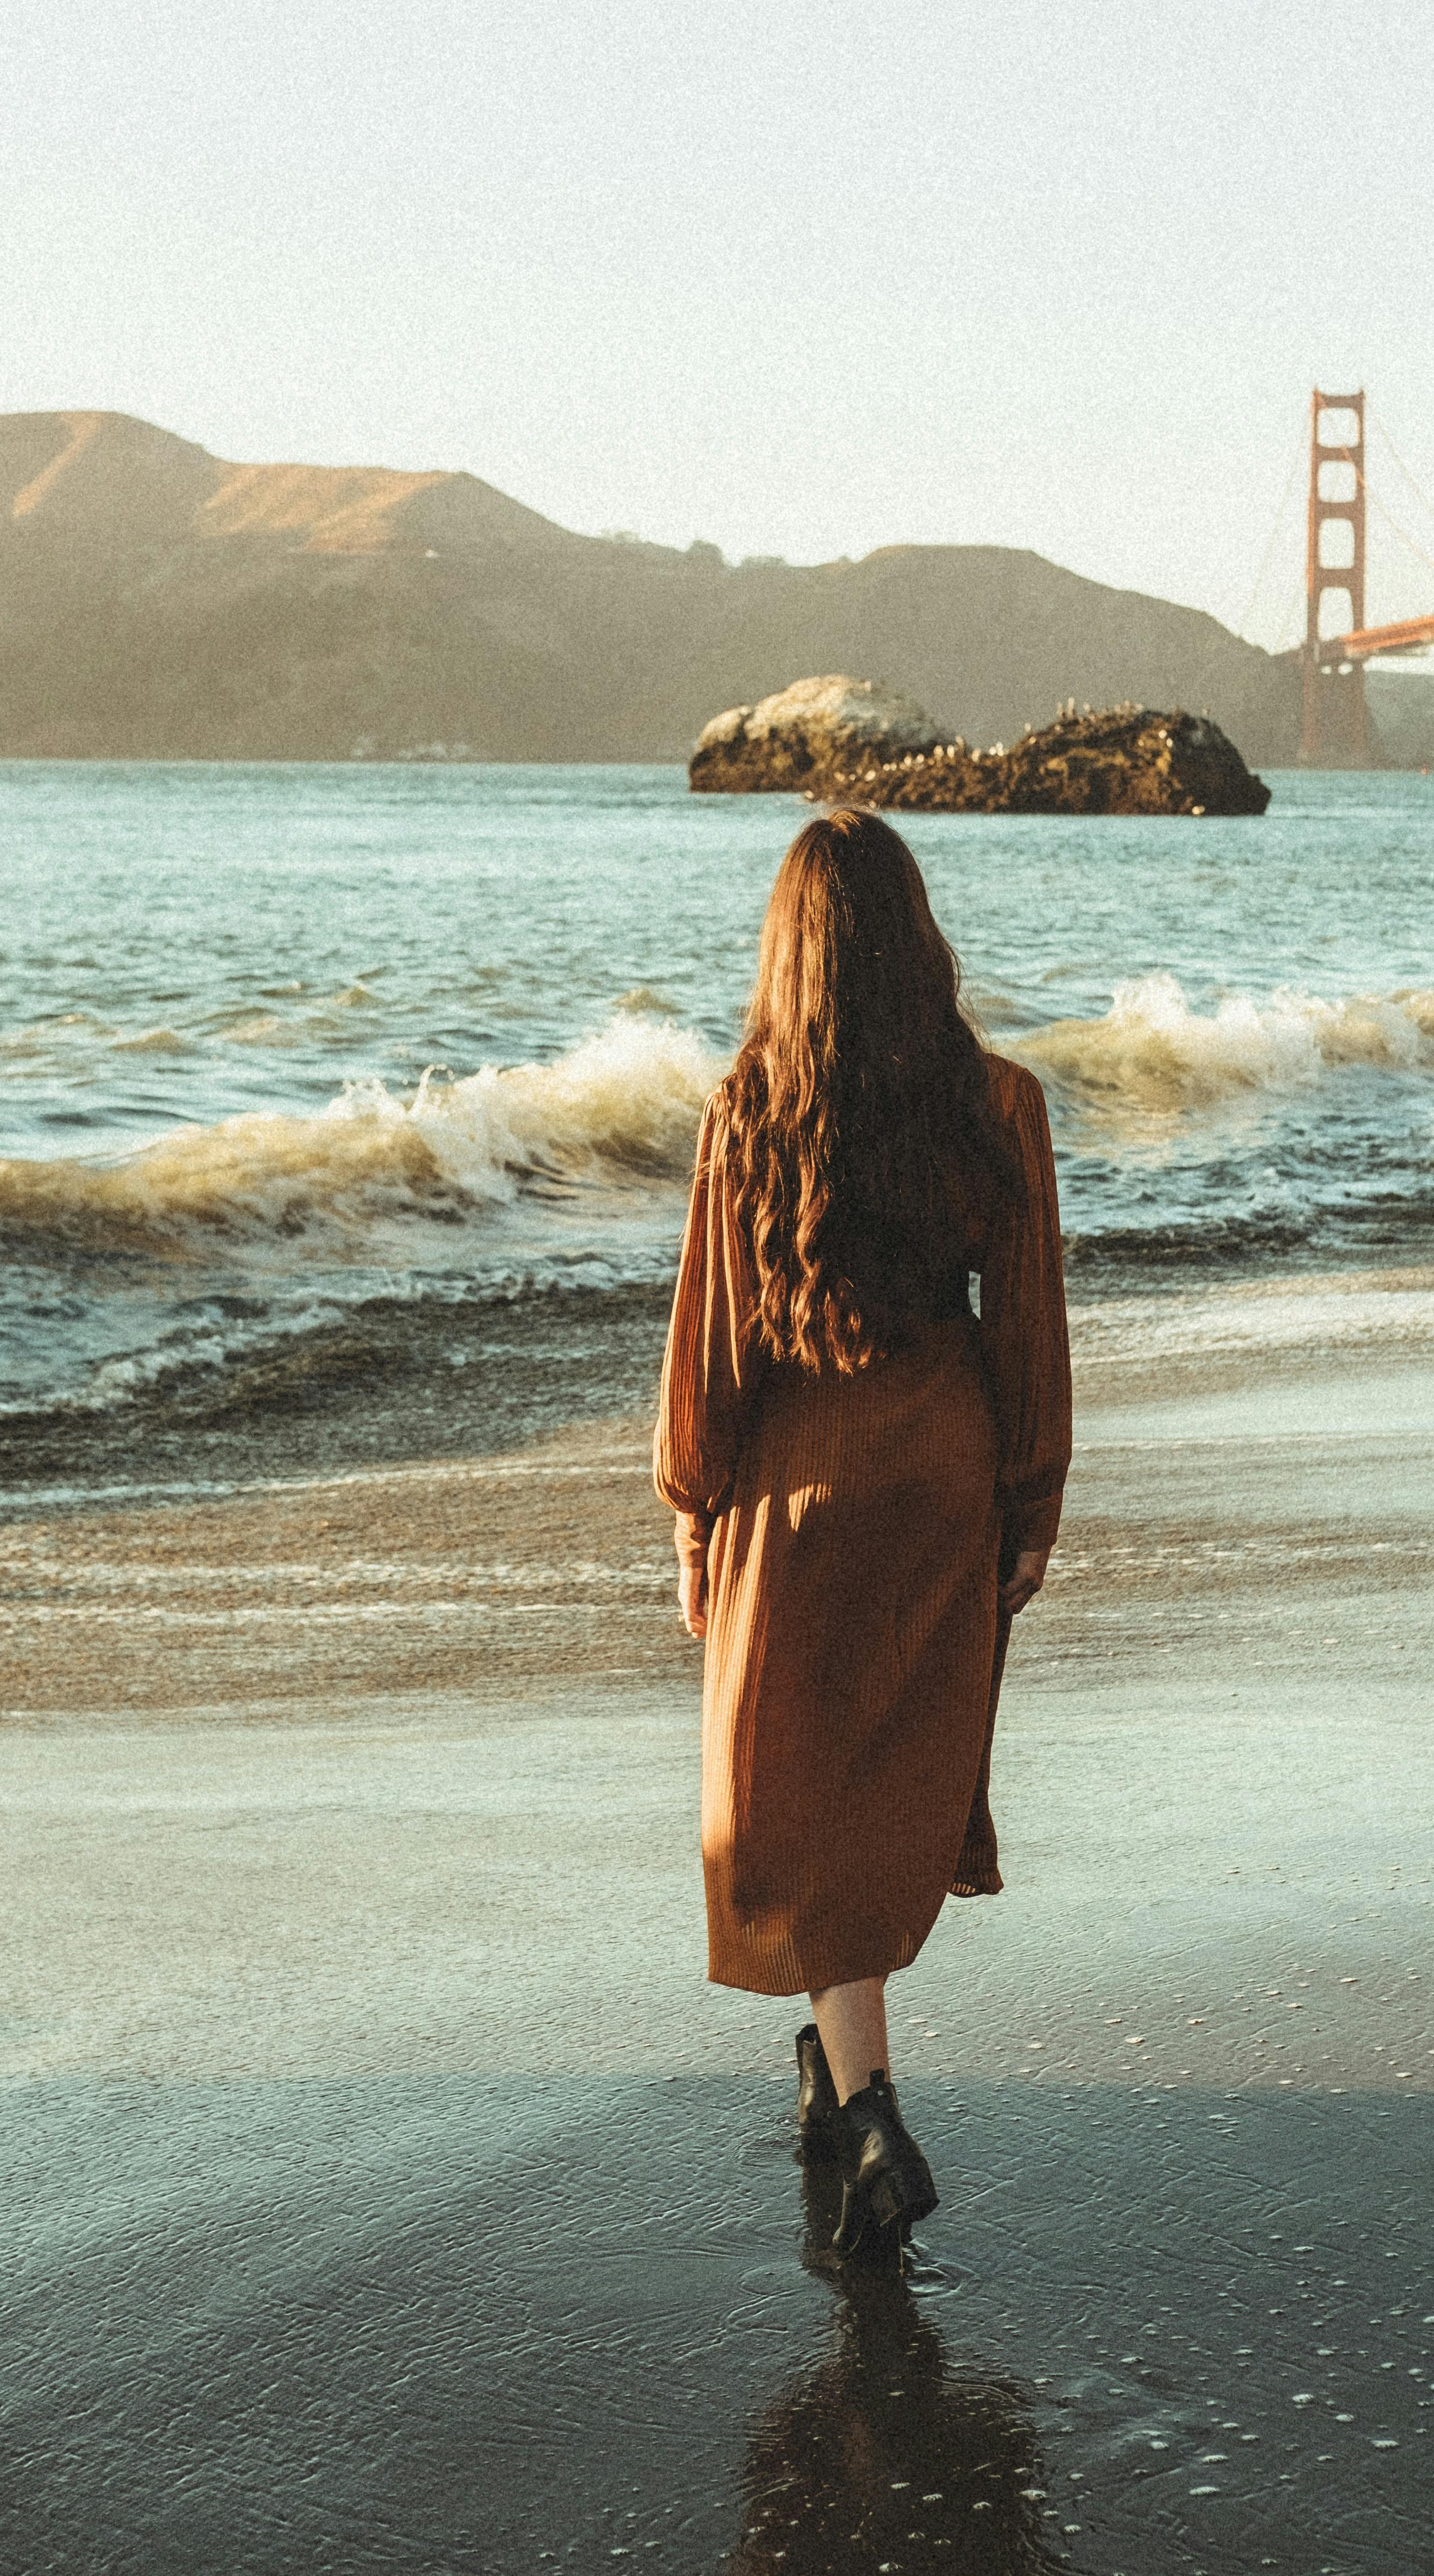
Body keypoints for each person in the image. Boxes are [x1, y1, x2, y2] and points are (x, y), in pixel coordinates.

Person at [654, 808, 1072, 2251]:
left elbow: (709, 1332)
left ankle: (872, 2107)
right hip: (941, 1470)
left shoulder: (748, 1104)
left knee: (784, 1800)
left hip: (799, 1478)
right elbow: (1026, 1322)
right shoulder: (999, 1103)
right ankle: (839, 2080)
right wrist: (1032, 1503)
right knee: (890, 1784)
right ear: (919, 935)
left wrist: (695, 1511)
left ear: (789, 949)